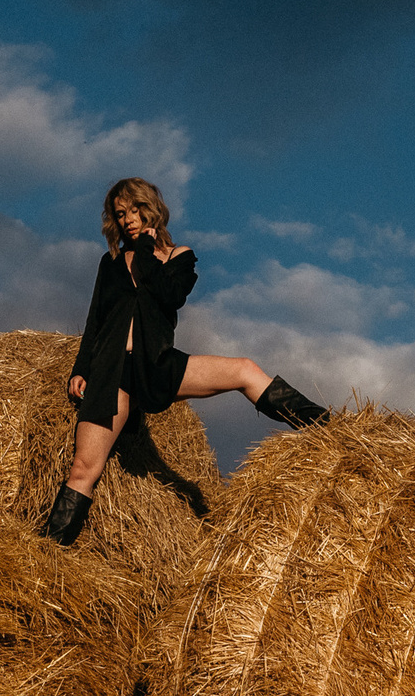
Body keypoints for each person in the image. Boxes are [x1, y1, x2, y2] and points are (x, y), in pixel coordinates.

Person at [41, 177, 332, 545]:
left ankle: (328, 428)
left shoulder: (180, 257)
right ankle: (47, 556)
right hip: (112, 372)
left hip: (158, 365)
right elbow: (95, 319)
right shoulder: (111, 261)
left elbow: (169, 296)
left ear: (152, 210)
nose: (128, 219)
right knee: (85, 468)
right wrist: (80, 369)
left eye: (135, 210)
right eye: (121, 214)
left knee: (244, 369)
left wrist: (147, 247)